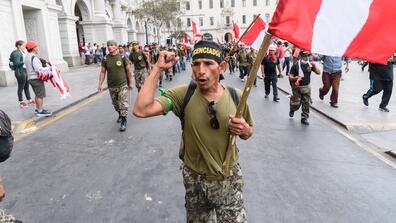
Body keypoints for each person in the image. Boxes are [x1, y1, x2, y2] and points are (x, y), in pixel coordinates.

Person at [133, 40, 253, 222]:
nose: (201, 71)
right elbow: (141, 109)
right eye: (196, 64)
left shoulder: (236, 96)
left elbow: (248, 132)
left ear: (222, 67)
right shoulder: (184, 95)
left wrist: (243, 129)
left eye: (208, 63)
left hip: (229, 180)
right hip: (195, 182)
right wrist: (157, 68)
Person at [98, 40, 133, 132]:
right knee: (115, 104)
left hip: (123, 84)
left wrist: (131, 82)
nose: (110, 47)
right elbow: (102, 72)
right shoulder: (105, 59)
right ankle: (120, 114)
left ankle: (124, 121)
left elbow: (129, 71)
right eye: (108, 45)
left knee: (123, 103)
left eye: (112, 45)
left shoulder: (122, 57)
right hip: (112, 86)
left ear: (116, 46)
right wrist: (100, 84)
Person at [288, 51, 321, 125]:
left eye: (307, 56)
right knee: (296, 104)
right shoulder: (296, 65)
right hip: (297, 88)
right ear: (300, 56)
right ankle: (292, 109)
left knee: (306, 103)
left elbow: (318, 73)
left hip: (306, 87)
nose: (306, 58)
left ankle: (304, 118)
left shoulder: (310, 64)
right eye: (304, 56)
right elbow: (290, 76)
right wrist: (295, 78)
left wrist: (314, 66)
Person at [24, 41, 52, 117]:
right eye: (36, 47)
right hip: (36, 78)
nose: (37, 48)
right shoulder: (34, 57)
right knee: (40, 95)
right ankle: (40, 111)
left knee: (37, 94)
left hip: (30, 78)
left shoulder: (27, 56)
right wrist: (48, 68)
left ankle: (38, 109)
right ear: (33, 48)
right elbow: (38, 69)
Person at [9, 40, 33, 108]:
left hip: (25, 70)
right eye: (23, 45)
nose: (24, 46)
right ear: (18, 46)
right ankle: (21, 102)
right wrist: (24, 61)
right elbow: (16, 63)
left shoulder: (22, 52)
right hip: (20, 71)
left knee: (26, 86)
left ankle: (29, 100)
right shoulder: (16, 53)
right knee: (21, 87)